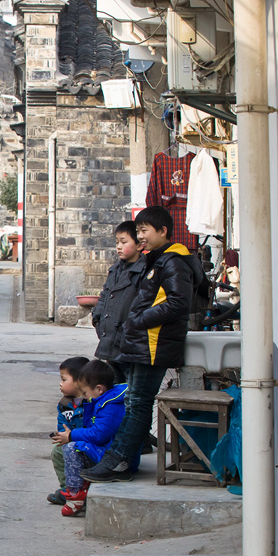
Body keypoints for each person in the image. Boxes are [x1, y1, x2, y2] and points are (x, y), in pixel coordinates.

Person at [82, 205, 207, 483]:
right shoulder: (158, 259)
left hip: (154, 343)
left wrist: (137, 320)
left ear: (162, 231)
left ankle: (119, 462)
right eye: (137, 231)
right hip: (143, 342)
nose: (140, 236)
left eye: (144, 231)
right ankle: (118, 460)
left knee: (138, 403)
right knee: (133, 402)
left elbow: (178, 303)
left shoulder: (174, 261)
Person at [51, 360, 129, 517]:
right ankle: (74, 490)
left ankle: (75, 494)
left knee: (72, 448)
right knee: (65, 448)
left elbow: (99, 435)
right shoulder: (100, 401)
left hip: (113, 458)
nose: (84, 397)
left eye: (85, 393)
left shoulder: (110, 406)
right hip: (104, 450)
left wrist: (72, 435)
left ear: (99, 389)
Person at [92, 220, 146, 383]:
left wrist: (128, 328)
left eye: (124, 242)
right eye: (117, 242)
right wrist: (97, 318)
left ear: (139, 245)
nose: (119, 247)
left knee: (131, 387)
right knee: (113, 386)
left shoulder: (143, 271)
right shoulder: (115, 270)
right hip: (109, 340)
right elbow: (104, 295)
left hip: (128, 342)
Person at [48, 356, 89, 505]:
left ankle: (80, 490)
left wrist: (73, 436)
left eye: (64, 379)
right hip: (72, 441)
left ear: (79, 381)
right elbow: (62, 425)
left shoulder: (91, 401)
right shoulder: (65, 404)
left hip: (89, 442)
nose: (60, 384)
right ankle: (67, 489)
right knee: (58, 451)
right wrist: (62, 435)